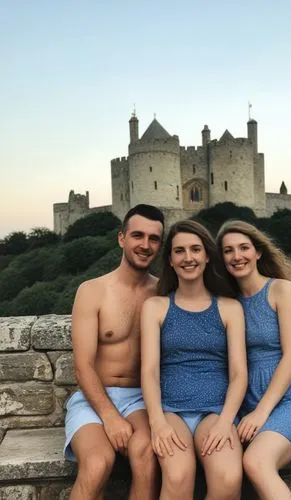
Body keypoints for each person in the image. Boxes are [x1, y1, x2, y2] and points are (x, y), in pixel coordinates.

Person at [141, 220, 248, 500]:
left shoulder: (229, 308)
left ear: (207, 255)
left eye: (195, 249)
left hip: (215, 411)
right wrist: (157, 423)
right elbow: (149, 370)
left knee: (228, 477)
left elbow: (238, 374)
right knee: (178, 476)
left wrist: (226, 422)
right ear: (171, 261)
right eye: (179, 251)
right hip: (170, 410)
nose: (188, 257)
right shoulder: (155, 307)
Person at [64, 204, 164, 500]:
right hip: (94, 397)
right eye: (137, 235)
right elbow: (82, 366)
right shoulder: (92, 290)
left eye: (154, 239)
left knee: (146, 454)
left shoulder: (163, 294)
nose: (145, 245)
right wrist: (109, 415)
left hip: (140, 399)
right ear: (122, 238)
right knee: (97, 463)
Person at [217, 220, 291, 500]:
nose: (237, 256)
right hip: (245, 404)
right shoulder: (227, 301)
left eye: (244, 248)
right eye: (228, 251)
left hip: (288, 401)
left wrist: (262, 412)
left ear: (258, 252)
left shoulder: (280, 290)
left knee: (256, 462)